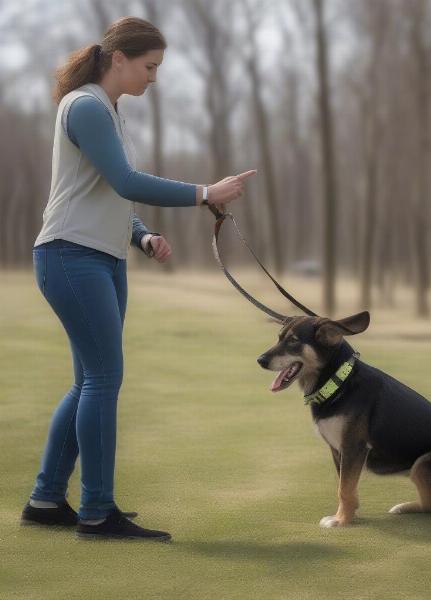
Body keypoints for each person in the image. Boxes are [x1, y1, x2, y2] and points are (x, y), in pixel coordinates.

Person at [20, 16, 256, 542]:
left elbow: (107, 193)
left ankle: (45, 498)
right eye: (149, 66)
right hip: (71, 257)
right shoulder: (85, 105)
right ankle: (97, 513)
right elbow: (126, 179)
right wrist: (205, 193)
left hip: (99, 258)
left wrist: (142, 236)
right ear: (118, 58)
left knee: (89, 382)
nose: (154, 77)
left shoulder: (106, 110)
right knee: (103, 381)